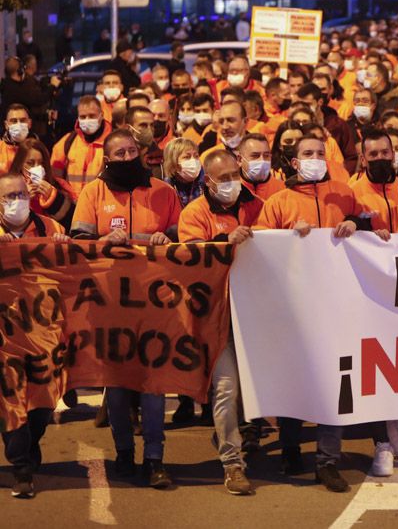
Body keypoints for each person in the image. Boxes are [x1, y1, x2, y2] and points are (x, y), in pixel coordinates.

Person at [255, 135, 394, 490]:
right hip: (294, 308)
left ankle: (327, 462)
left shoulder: (344, 192)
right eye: (307, 154)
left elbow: (372, 228)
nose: (315, 158)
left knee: (335, 383)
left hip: (338, 306)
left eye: (319, 153)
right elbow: (259, 247)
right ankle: (289, 449)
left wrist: (356, 226)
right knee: (295, 379)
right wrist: (286, 234)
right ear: (294, 161)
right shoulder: (278, 202)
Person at [70, 129, 181, 488]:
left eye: (132, 151)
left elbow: (187, 246)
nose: (126, 157)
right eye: (119, 153)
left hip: (155, 304)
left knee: (152, 385)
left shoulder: (164, 193)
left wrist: (169, 241)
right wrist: (103, 241)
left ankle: (154, 458)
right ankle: (123, 453)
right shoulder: (93, 192)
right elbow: (79, 246)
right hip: (110, 308)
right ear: (107, 157)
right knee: (116, 388)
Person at [178, 149, 262, 496]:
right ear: (207, 181)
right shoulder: (193, 214)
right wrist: (222, 244)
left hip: (257, 315)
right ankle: (233, 464)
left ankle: (248, 435)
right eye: (222, 178)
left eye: (234, 175)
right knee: (225, 389)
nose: (231, 183)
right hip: (217, 318)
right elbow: (191, 261)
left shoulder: (259, 205)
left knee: (252, 386)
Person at [0, 173, 70, 499]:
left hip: (45, 332)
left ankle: (31, 440)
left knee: (43, 402)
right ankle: (21, 468)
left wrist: (65, 251)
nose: (16, 201)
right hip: (5, 334)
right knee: (11, 399)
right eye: (8, 197)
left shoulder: (51, 229)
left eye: (20, 194)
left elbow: (73, 273)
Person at [51, 96, 111, 200]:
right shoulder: (67, 142)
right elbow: (55, 177)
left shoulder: (112, 143)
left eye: (92, 116)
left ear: (101, 115)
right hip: (72, 204)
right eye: (83, 117)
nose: (87, 120)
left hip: (101, 202)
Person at [9, 140, 74, 231]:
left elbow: (74, 223)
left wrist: (55, 200)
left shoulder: (60, 185)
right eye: (30, 163)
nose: (37, 167)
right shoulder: (7, 188)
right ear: (20, 164)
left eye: (41, 163)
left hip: (53, 243)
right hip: (23, 243)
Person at [238, 133, 284, 200]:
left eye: (266, 156)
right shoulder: (230, 191)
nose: (262, 161)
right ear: (240, 160)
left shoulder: (282, 190)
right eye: (255, 156)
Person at [1, 104, 34, 173]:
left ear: (30, 123)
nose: (18, 124)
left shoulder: (39, 149)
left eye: (23, 120)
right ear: (6, 125)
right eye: (13, 121)